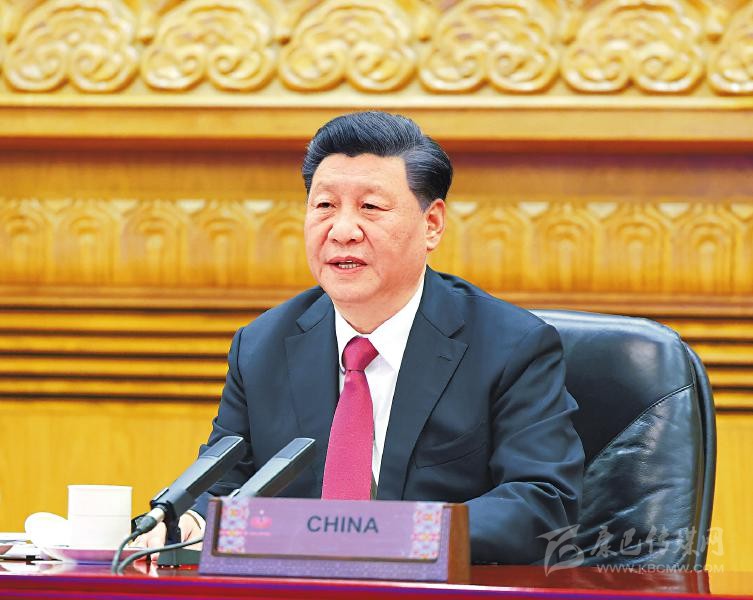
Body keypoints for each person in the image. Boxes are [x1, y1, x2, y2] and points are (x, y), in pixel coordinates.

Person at [139, 111, 584, 564]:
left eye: (370, 207)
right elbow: (222, 481)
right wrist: (189, 522)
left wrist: (387, 536)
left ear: (431, 224)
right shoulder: (261, 346)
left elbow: (542, 501)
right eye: (324, 206)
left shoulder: (510, 346)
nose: (343, 231)